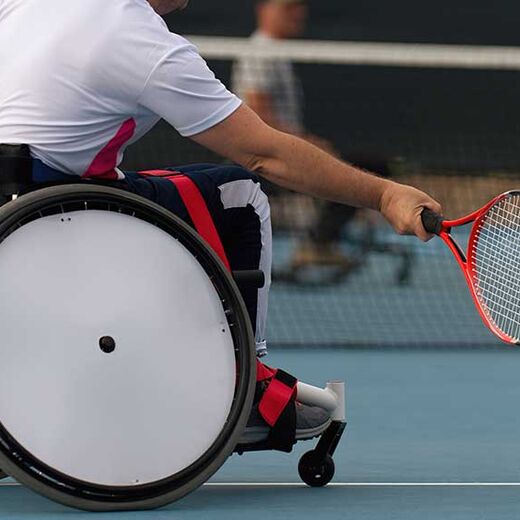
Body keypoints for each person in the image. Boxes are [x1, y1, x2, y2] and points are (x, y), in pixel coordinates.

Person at [0, 0, 441, 448]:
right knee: (240, 195)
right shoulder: (144, 43)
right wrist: (386, 195)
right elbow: (264, 154)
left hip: (17, 210)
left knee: (166, 186)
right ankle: (243, 391)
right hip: (61, 218)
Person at [232, 0, 362, 274]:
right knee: (362, 169)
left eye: (300, 7)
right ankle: (318, 245)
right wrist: (308, 144)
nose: (298, 14)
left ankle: (319, 242)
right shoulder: (262, 53)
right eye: (289, 7)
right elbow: (257, 115)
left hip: (280, 152)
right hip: (270, 160)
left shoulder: (276, 52)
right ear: (264, 10)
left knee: (356, 165)